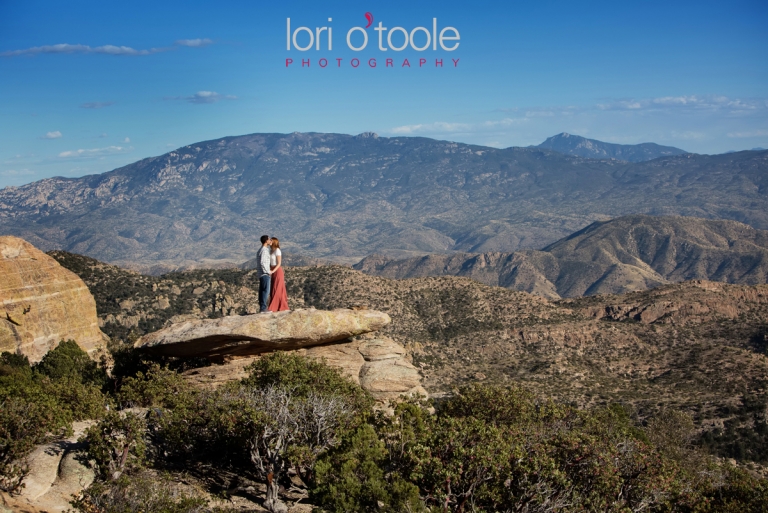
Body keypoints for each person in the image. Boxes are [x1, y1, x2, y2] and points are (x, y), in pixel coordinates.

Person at [268, 237, 289, 312]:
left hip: (277, 271)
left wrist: (273, 271)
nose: (269, 241)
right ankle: (275, 306)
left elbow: (279, 263)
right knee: (273, 288)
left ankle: (276, 306)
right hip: (272, 270)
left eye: (271, 240)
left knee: (278, 288)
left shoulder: (277, 251)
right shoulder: (271, 250)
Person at [256, 235, 272, 313]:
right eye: (269, 239)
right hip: (264, 274)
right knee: (266, 291)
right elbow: (263, 262)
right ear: (266, 241)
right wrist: (267, 271)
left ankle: (262, 307)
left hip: (261, 274)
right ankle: (263, 308)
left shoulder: (260, 250)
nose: (270, 241)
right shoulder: (264, 250)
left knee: (262, 291)